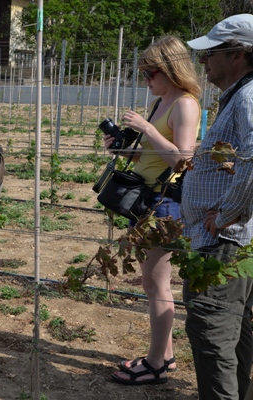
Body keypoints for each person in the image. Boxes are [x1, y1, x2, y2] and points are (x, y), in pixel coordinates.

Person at [106, 36, 201, 385]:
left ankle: (156, 363)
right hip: (147, 199)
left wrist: (146, 129)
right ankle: (166, 354)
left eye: (150, 72)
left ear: (171, 70)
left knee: (156, 283)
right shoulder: (163, 102)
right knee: (151, 281)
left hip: (166, 204)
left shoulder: (185, 105)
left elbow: (182, 158)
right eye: (143, 73)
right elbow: (153, 157)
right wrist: (124, 151)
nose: (146, 80)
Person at [182, 14, 253, 400]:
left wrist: (227, 214)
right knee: (235, 335)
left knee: (213, 337)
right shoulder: (239, 97)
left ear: (239, 54)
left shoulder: (248, 96)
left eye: (212, 53)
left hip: (225, 246)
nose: (204, 60)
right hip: (229, 243)